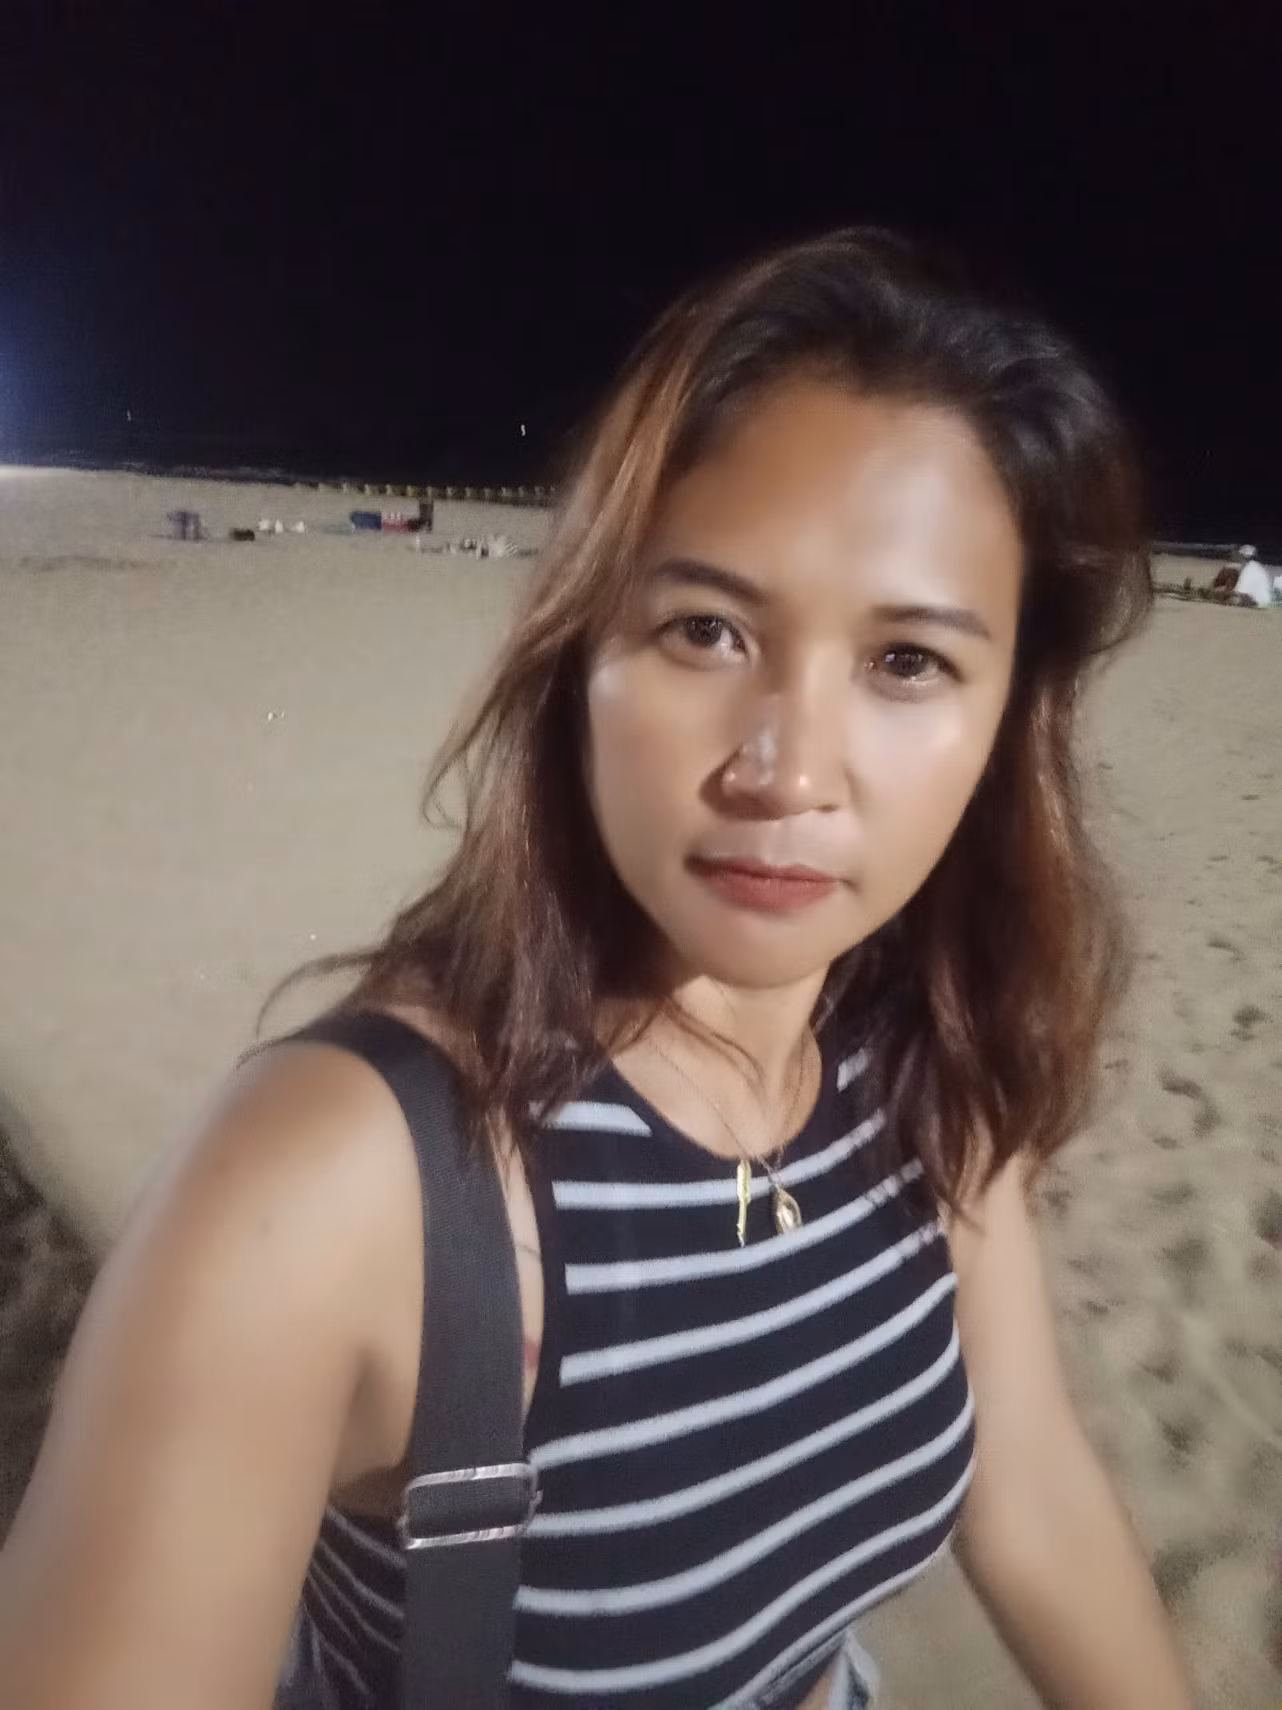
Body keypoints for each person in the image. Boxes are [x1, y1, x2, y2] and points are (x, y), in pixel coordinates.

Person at [0, 230, 1194, 1710]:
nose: (786, 770)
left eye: (905, 662)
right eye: (706, 629)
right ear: (580, 655)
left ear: (1010, 717)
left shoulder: (921, 1062)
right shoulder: (341, 1188)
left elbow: (1027, 1485)